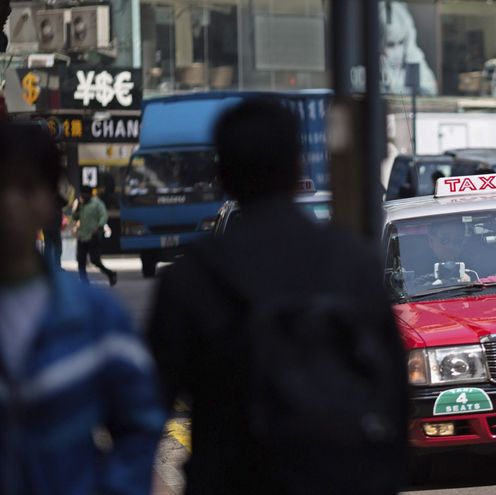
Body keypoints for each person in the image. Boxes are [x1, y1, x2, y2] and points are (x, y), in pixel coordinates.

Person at [147, 99, 408, 494]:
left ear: (222, 175)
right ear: (298, 168)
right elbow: (394, 388)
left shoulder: (190, 278)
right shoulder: (351, 260)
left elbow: (147, 406)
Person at [0, 122, 165, 495]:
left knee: (90, 264)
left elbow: (140, 423)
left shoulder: (97, 317)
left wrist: (113, 486)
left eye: (27, 188)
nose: (9, 203)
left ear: (48, 201)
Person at [73, 188, 117, 285]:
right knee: (81, 260)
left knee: (95, 260)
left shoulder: (97, 203)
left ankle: (110, 274)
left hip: (93, 236)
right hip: (82, 236)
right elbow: (75, 217)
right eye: (82, 194)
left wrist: (99, 227)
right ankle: (84, 282)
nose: (83, 197)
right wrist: (77, 208)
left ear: (90, 195)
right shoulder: (81, 204)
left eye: (85, 195)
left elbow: (103, 216)